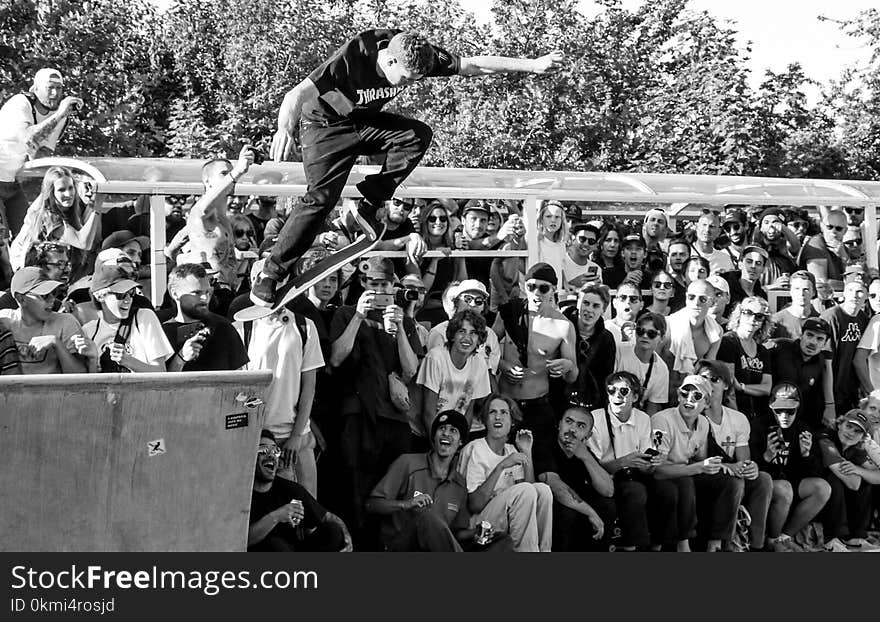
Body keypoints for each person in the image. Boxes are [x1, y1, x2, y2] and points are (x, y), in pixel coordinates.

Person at [253, 29, 563, 306]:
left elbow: (473, 65)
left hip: (364, 122)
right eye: (404, 80)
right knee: (320, 199)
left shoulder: (418, 52)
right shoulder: (353, 57)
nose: (407, 85)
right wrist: (284, 128)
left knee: (417, 135)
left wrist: (533, 65)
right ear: (389, 62)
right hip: (325, 126)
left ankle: (371, 202)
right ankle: (271, 272)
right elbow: (295, 94)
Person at [328, 255, 422, 540]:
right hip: (358, 414)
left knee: (390, 489)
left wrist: (402, 328)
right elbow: (336, 357)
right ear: (362, 283)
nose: (380, 291)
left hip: (393, 418)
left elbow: (410, 370)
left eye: (385, 285)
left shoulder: (402, 318)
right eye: (373, 284)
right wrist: (358, 315)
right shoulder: (346, 313)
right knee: (355, 487)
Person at [367, 410, 510, 552]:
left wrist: (475, 533)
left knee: (502, 539)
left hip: (436, 549)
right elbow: (372, 505)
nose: (446, 433)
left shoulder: (459, 484)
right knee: (427, 516)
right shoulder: (407, 463)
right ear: (434, 437)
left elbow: (455, 534)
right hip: (398, 546)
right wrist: (406, 504)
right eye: (441, 429)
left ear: (460, 442)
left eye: (453, 430)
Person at [650, 375, 745, 552]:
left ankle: (716, 543)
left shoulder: (703, 423)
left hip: (685, 470)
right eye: (685, 394)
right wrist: (699, 467)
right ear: (678, 396)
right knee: (685, 482)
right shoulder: (661, 421)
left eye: (697, 396)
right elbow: (657, 471)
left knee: (730, 481)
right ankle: (683, 543)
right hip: (663, 476)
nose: (689, 400)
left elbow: (700, 459)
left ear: (706, 404)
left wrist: (718, 466)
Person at [695, 360, 773, 552]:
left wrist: (750, 467)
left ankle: (756, 544)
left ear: (726, 385)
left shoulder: (737, 419)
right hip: (702, 472)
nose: (709, 383)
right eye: (703, 378)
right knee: (734, 483)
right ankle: (722, 545)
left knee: (763, 479)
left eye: (714, 379)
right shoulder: (693, 415)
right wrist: (730, 468)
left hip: (729, 471)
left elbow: (743, 460)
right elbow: (695, 459)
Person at [458, 395, 553, 552]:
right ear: (484, 420)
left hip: (507, 517)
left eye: (504, 412)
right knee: (525, 490)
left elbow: (530, 495)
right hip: (479, 523)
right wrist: (501, 466)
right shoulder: (476, 449)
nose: (498, 417)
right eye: (492, 412)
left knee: (543, 490)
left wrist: (526, 452)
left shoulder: (511, 450)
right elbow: (474, 505)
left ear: (512, 421)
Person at [497, 263, 577, 444]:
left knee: (542, 468)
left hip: (537, 404)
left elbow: (573, 376)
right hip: (505, 401)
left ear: (553, 290)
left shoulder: (563, 326)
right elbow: (485, 349)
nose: (537, 293)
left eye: (543, 288)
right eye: (531, 287)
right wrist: (502, 364)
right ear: (524, 286)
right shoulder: (510, 313)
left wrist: (568, 366)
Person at [0, 68, 82, 236]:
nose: (54, 93)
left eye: (59, 88)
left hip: (14, 183)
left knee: (28, 233)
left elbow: (42, 154)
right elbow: (29, 138)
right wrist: (59, 114)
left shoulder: (60, 115)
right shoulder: (20, 103)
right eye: (49, 87)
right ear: (36, 89)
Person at [750, 383, 831, 552]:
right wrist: (766, 457)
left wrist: (806, 455)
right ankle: (771, 540)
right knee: (784, 488)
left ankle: (783, 537)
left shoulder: (803, 429)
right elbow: (749, 467)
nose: (784, 415)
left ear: (798, 408)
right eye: (779, 410)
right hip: (765, 485)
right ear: (771, 407)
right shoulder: (758, 426)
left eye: (790, 411)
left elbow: (815, 473)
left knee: (822, 488)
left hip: (791, 482)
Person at [586, 372, 658, 550]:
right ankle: (631, 547)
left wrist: (650, 464)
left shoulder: (642, 418)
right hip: (605, 478)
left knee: (668, 490)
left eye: (624, 391)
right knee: (635, 491)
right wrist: (624, 462)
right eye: (611, 390)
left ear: (635, 397)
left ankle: (662, 544)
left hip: (634, 475)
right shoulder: (595, 418)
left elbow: (646, 465)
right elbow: (593, 468)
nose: (617, 396)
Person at [249, 430, 352, 552]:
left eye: (275, 451)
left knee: (333, 531)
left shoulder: (289, 489)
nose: (271, 455)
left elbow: (328, 517)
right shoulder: (241, 493)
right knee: (275, 545)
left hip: (294, 553)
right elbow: (244, 540)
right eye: (263, 450)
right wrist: (276, 516)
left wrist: (346, 537)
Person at [534, 403, 615, 551]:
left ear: (588, 435)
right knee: (567, 514)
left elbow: (608, 490)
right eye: (568, 421)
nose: (572, 429)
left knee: (607, 505)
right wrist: (590, 512)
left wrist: (585, 457)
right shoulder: (545, 445)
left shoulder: (584, 451)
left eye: (581, 426)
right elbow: (555, 487)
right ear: (559, 424)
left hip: (577, 502)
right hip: (549, 504)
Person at [82, 265, 173, 373]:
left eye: (131, 293)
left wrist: (128, 361)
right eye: (121, 295)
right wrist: (93, 360)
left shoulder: (144, 318)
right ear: (100, 296)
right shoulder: (88, 331)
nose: (128, 300)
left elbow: (161, 372)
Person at [10, 167, 101, 274]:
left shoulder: (71, 210)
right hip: (39, 275)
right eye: (61, 190)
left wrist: (90, 203)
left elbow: (94, 240)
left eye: (71, 188)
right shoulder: (49, 216)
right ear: (51, 192)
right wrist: (97, 208)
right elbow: (83, 243)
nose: (68, 194)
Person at [417, 309, 492, 433]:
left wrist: (460, 443)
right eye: (461, 331)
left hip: (455, 434)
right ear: (452, 335)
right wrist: (440, 448)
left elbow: (468, 411)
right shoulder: (435, 358)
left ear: (479, 339)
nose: (467, 338)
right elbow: (428, 413)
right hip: (427, 432)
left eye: (473, 333)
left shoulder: (479, 363)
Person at [0, 266, 87, 374]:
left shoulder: (66, 322)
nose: (52, 300)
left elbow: (80, 378)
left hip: (55, 390)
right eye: (44, 295)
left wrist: (56, 344)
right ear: (21, 299)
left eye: (54, 293)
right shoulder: (4, 321)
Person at [163, 263, 247, 372]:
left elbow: (240, 377)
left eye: (207, 292)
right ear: (174, 293)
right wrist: (180, 358)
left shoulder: (223, 328)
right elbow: (160, 384)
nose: (204, 298)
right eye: (196, 293)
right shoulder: (163, 333)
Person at [817, 410, 880, 551]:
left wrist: (858, 470)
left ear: (863, 437)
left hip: (838, 502)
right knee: (835, 480)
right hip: (814, 495)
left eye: (857, 431)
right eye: (849, 426)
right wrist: (860, 473)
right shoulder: (825, 438)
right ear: (840, 424)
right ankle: (831, 539)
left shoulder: (855, 448)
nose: (851, 433)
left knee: (867, 482)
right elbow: (853, 484)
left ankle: (855, 538)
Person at [426, 279, 500, 379]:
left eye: (478, 301)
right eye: (468, 299)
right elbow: (435, 373)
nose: (473, 304)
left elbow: (489, 374)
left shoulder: (490, 335)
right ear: (457, 302)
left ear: (483, 307)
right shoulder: (438, 332)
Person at [770, 318, 835, 432]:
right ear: (801, 335)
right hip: (770, 418)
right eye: (809, 335)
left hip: (797, 422)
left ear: (825, 343)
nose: (813, 342)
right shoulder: (779, 347)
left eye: (820, 339)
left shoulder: (820, 362)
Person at [717, 297, 772, 418]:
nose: (753, 319)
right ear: (739, 315)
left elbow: (767, 388)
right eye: (748, 313)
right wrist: (737, 419)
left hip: (758, 415)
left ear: (764, 321)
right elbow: (729, 390)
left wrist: (741, 387)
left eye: (759, 316)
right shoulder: (729, 341)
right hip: (733, 413)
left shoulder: (762, 351)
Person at [563, 282, 616, 409]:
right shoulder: (561, 327)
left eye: (596, 306)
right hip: (560, 399)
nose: (589, 310)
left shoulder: (607, 339)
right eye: (586, 303)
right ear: (577, 303)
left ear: (603, 310)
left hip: (592, 403)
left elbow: (605, 378)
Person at [821, 277, 870, 414]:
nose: (855, 295)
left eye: (860, 291)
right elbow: (825, 362)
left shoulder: (864, 319)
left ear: (866, 295)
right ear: (844, 293)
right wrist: (829, 402)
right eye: (850, 290)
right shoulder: (831, 317)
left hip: (850, 392)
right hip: (829, 390)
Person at [665, 279, 723, 389]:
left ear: (712, 302)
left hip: (690, 390)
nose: (696, 303)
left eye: (703, 299)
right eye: (691, 297)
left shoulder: (716, 332)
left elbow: (708, 367)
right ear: (686, 298)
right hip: (662, 385)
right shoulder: (668, 324)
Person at [617, 312, 669, 415]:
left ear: (662, 338)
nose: (645, 336)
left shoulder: (662, 369)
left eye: (651, 334)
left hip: (636, 415)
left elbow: (652, 406)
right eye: (640, 331)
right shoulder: (619, 351)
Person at [797, 208, 848, 290]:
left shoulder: (842, 248)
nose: (833, 231)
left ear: (845, 231)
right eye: (829, 227)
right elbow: (821, 284)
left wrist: (844, 257)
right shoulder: (816, 243)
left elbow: (853, 275)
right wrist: (850, 286)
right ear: (822, 226)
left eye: (838, 228)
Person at [751, 207, 799, 289]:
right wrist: (774, 286)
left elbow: (795, 246)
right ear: (761, 228)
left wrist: (783, 228)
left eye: (775, 222)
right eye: (766, 222)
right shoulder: (754, 250)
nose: (771, 226)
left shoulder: (786, 246)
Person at [770, 270, 819, 340]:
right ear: (790, 291)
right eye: (797, 289)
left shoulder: (819, 320)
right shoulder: (776, 321)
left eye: (806, 289)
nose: (801, 294)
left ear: (813, 292)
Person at [721, 245, 768, 316]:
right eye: (749, 261)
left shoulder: (762, 296)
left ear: (763, 269)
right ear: (740, 264)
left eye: (758, 263)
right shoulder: (726, 287)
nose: (753, 266)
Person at [563, 222, 602, 294]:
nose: (586, 244)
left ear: (595, 245)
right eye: (582, 239)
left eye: (591, 241)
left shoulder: (597, 268)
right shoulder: (560, 262)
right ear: (573, 239)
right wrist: (575, 282)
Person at [691, 212, 735, 276]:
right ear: (696, 227)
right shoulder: (686, 253)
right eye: (704, 225)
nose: (707, 230)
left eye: (712, 226)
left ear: (719, 231)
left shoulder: (725, 259)